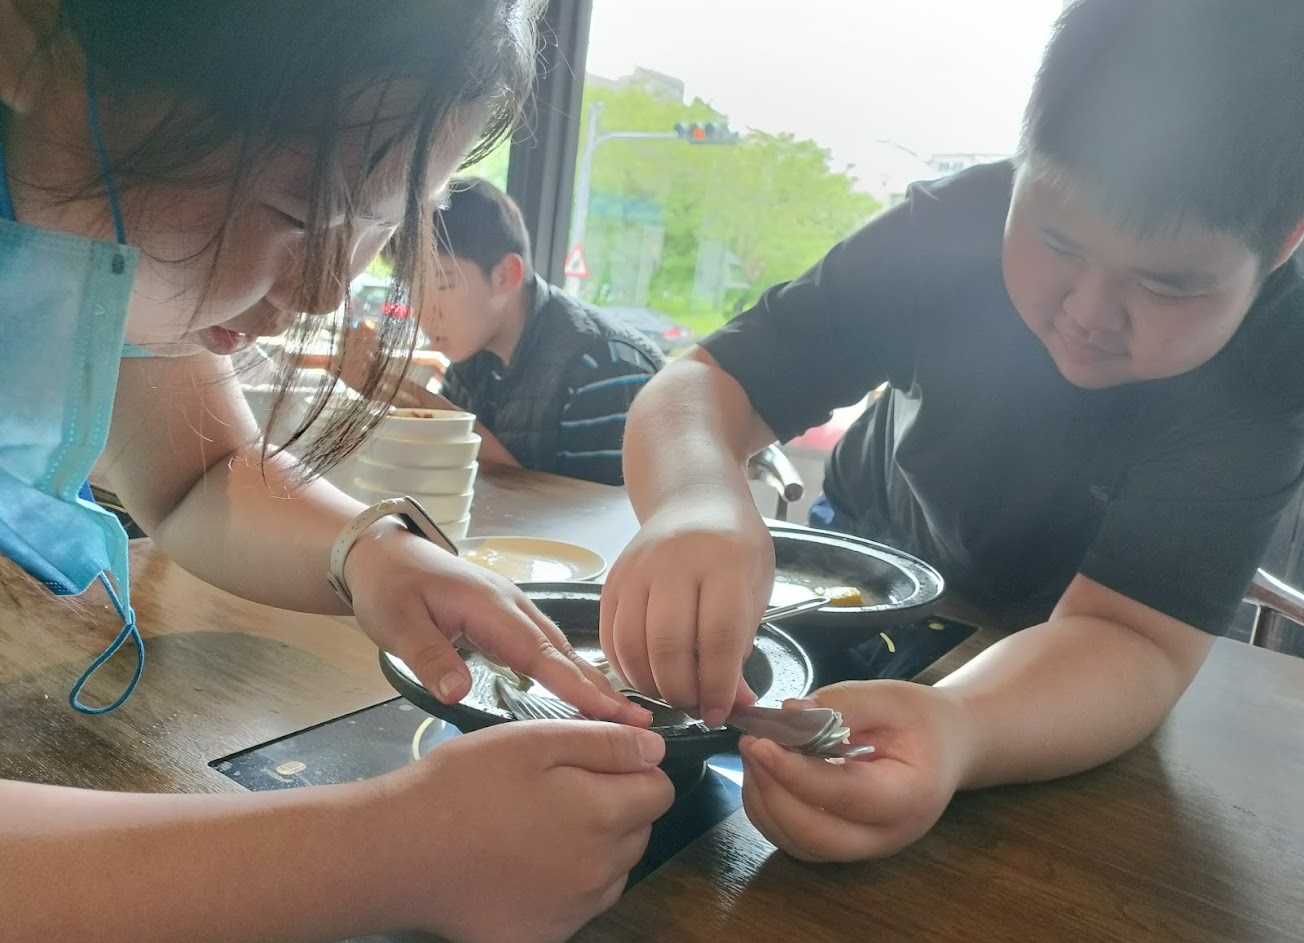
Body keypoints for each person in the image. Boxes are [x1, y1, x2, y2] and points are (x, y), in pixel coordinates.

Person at [0, 3, 672, 941]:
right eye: (297, 213)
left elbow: (199, 467)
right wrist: (388, 851)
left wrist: (370, 550)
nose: (323, 291)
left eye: (382, 226)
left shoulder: (97, 243)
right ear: (34, 34)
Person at [601, 0, 1304, 863]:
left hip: (1068, 659)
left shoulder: (1273, 360)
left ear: (1283, 245)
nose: (1089, 311)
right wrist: (696, 500)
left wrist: (962, 725)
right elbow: (705, 383)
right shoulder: (952, 228)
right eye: (1057, 240)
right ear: (1024, 167)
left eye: (1166, 286)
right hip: (876, 557)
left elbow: (1136, 637)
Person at [340, 177, 665, 485]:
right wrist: (390, 393)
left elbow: (589, 515)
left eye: (442, 283)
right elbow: (458, 477)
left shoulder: (604, 367)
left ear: (505, 276)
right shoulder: (473, 355)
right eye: (412, 289)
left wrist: (437, 414)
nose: (423, 311)